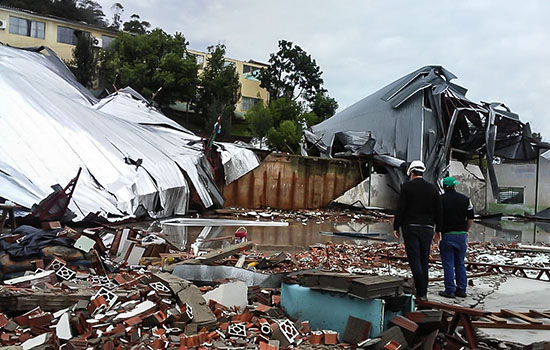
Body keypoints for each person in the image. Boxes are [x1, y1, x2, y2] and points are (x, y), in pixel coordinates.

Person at [393, 160, 443, 300]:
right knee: (423, 259)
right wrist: (438, 230)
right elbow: (439, 210)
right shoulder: (433, 188)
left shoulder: (407, 187)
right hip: (427, 228)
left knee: (414, 259)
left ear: (411, 172)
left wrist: (396, 226)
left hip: (411, 227)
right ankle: (423, 292)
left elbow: (401, 208)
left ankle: (421, 292)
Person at [436, 176, 474, 298]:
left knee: (448, 264)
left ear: (444, 187)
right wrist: (466, 230)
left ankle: (449, 290)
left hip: (447, 235)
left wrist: (437, 232)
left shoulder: (440, 200)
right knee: (460, 263)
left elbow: (437, 218)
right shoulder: (465, 199)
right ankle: (462, 289)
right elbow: (470, 217)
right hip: (461, 236)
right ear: (454, 186)